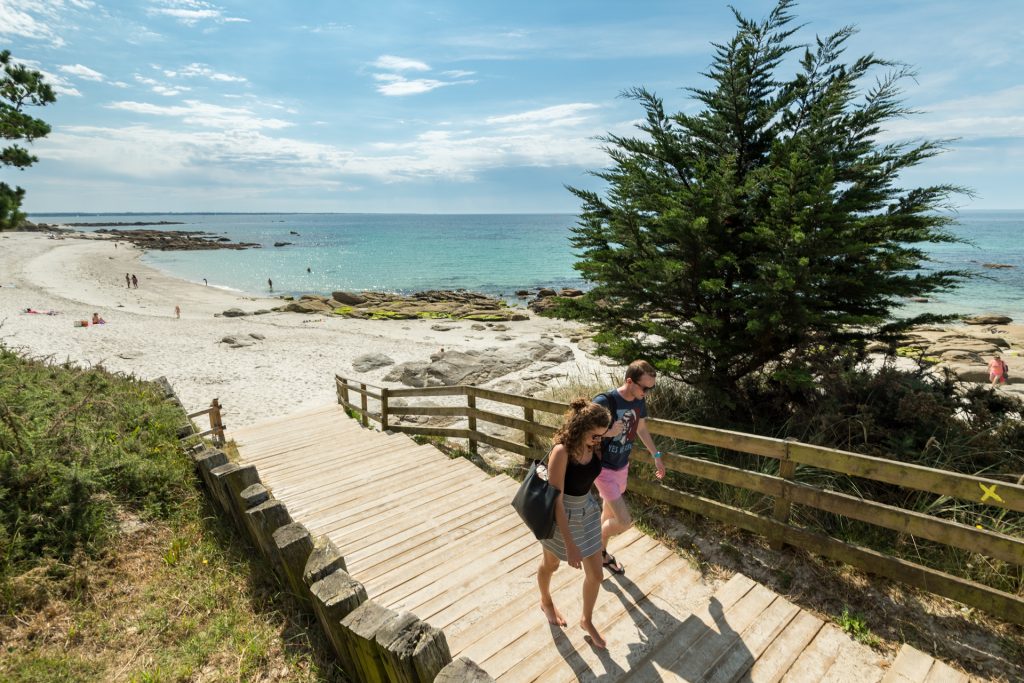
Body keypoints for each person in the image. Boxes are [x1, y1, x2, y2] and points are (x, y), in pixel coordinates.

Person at [536, 399, 613, 650]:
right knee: (551, 565)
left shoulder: (595, 446)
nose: (598, 440)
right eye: (595, 435)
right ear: (581, 427)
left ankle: (586, 619)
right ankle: (546, 600)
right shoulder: (562, 452)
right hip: (561, 516)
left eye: (601, 435)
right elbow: (556, 499)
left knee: (596, 574)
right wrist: (569, 543)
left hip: (587, 511)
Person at [593, 360, 666, 575]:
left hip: (622, 466)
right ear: (629, 381)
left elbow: (641, 428)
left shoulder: (639, 400)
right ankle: (595, 545)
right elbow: (582, 430)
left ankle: (601, 554)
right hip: (603, 468)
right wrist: (607, 433)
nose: (648, 393)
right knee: (624, 521)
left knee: (607, 513)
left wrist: (656, 455)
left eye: (651, 388)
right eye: (645, 387)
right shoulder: (604, 401)